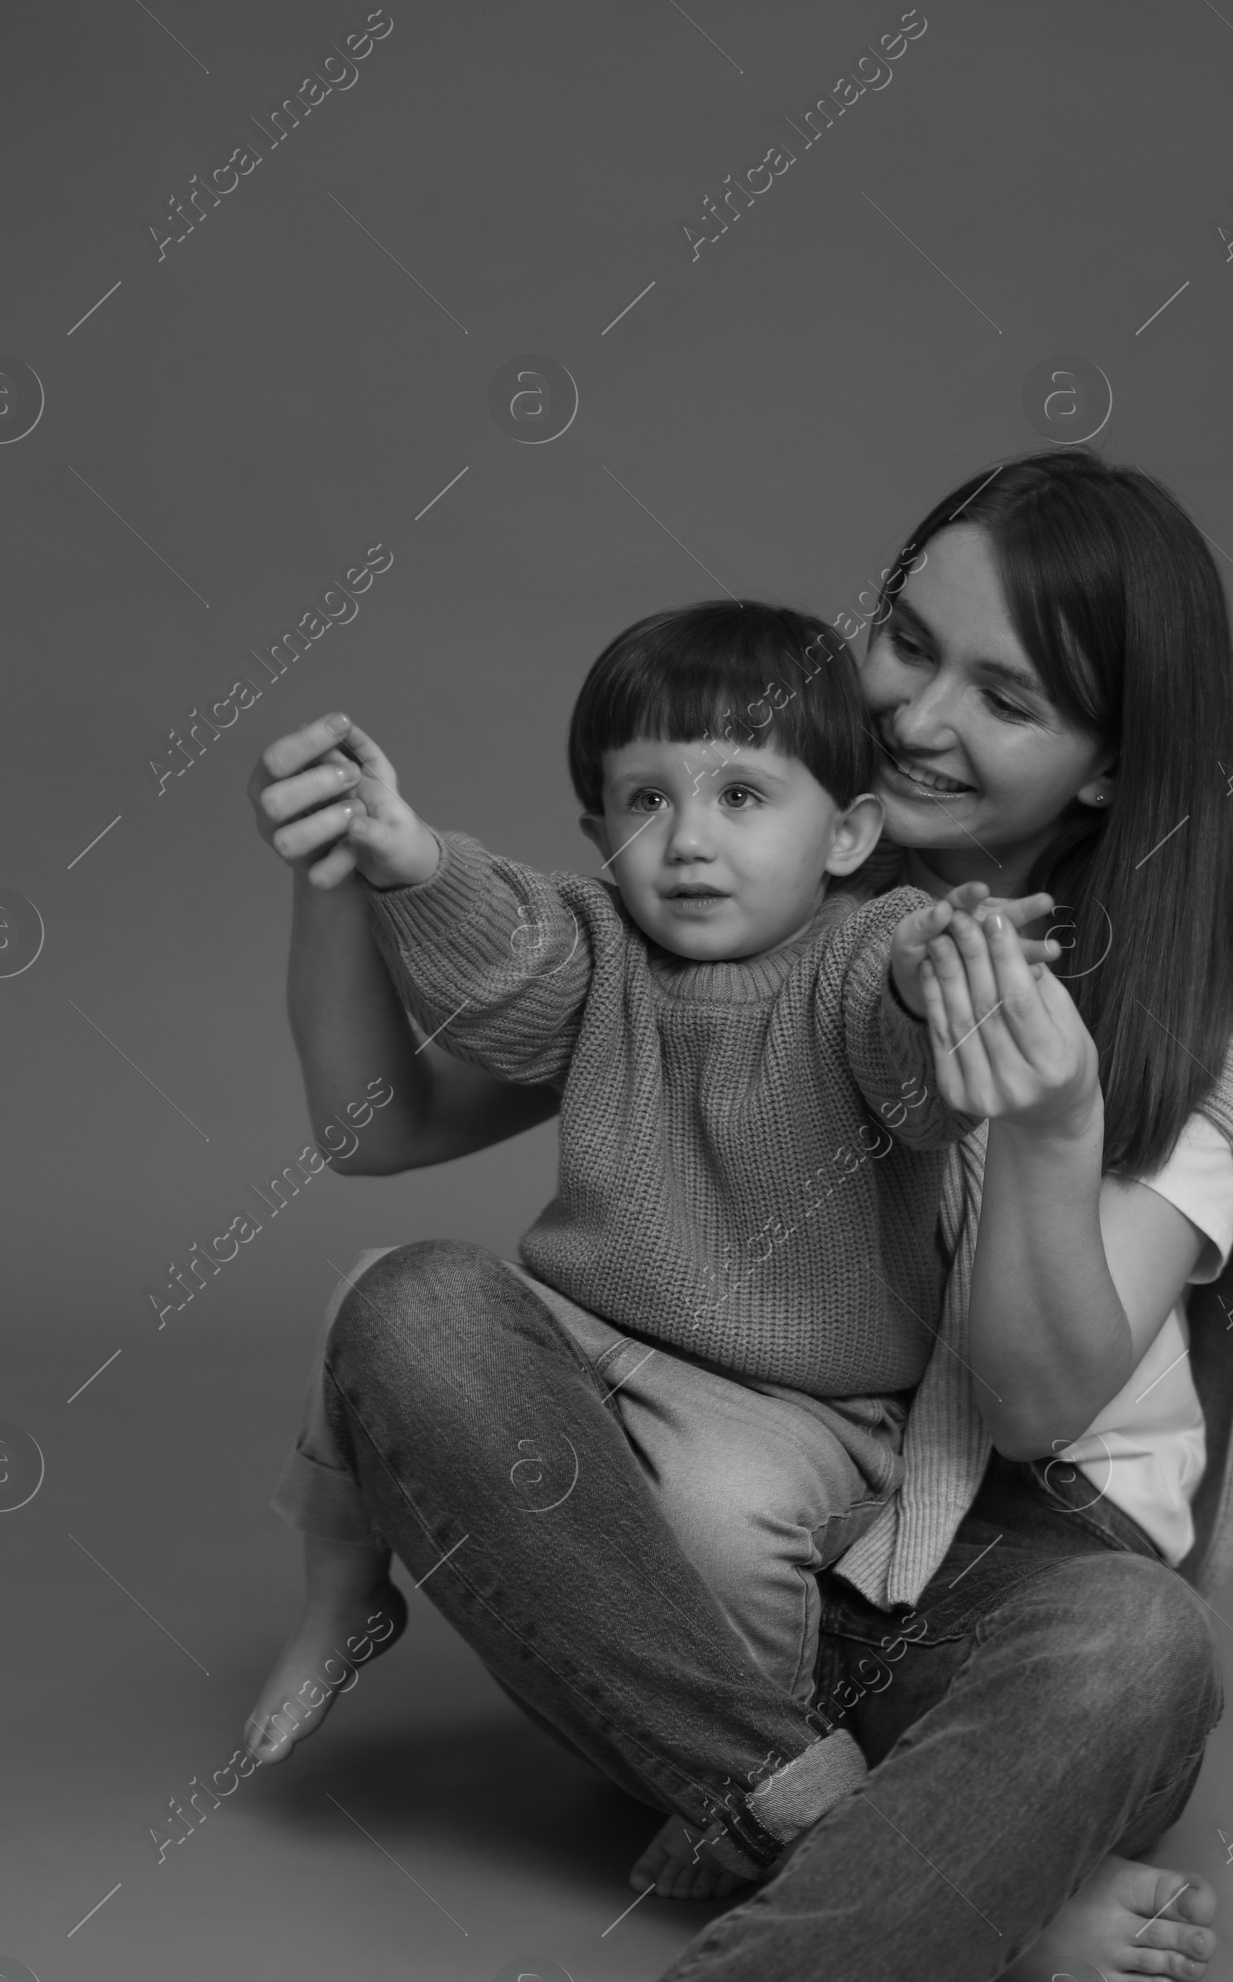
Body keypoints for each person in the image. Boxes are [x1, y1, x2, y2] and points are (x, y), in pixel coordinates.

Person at [242, 448, 1233, 1982]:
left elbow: (1036, 1384)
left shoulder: (1201, 991)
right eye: (909, 640)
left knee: (1135, 1651)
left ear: (1117, 763)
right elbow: (380, 1128)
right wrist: (346, 893)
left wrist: (1053, 1125)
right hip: (756, 1563)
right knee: (413, 1318)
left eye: (1010, 695)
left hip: (1010, 1553)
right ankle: (942, 1885)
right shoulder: (774, 844)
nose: (912, 711)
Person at [248, 602, 1062, 1900]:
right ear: (599, 838)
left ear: (847, 834)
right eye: (644, 801)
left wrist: (940, 969)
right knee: (376, 1296)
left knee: (723, 1523)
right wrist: (404, 859)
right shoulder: (601, 949)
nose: (688, 841)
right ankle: (347, 1597)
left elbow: (911, 1059)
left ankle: (730, 1766)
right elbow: (504, 961)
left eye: (745, 794)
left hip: (793, 1404)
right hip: (576, 1337)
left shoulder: (854, 957)